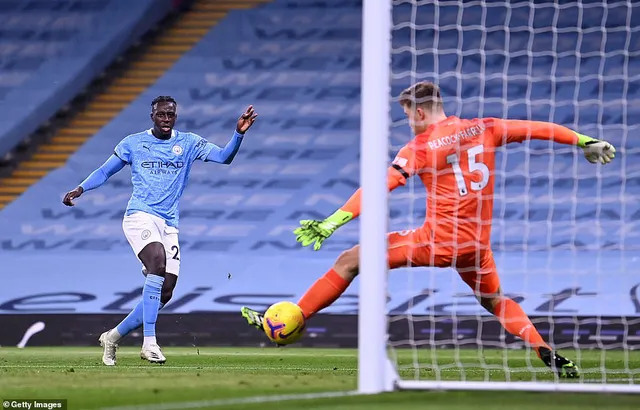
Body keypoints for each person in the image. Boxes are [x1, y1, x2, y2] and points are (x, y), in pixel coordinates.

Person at [241, 81, 617, 378]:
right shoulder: (484, 128)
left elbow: (380, 186)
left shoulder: (420, 147)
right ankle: (542, 348)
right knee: (496, 301)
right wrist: (584, 140)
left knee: (349, 260)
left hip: (436, 243)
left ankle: (294, 319)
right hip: (476, 246)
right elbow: (536, 128)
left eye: (407, 115)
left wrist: (333, 220)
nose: (408, 122)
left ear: (419, 111)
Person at [63, 96, 257, 365]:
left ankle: (112, 337)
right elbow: (105, 171)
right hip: (139, 216)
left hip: (169, 224)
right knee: (157, 263)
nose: (166, 119)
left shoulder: (188, 143)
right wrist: (81, 188)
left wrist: (238, 133)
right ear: (152, 116)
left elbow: (224, 157)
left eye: (171, 115)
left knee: (165, 291)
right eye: (161, 115)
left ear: (175, 116)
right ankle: (150, 343)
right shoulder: (133, 143)